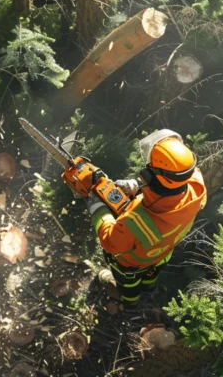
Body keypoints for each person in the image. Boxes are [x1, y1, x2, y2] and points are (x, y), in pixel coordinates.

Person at [86, 130, 208, 307]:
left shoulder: (135, 221)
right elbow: (188, 175)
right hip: (162, 255)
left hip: (132, 265)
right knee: (151, 275)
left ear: (148, 176)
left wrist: (98, 209)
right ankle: (150, 288)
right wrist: (139, 188)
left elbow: (110, 242)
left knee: (129, 285)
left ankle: (129, 302)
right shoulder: (197, 189)